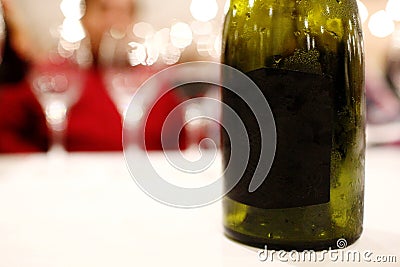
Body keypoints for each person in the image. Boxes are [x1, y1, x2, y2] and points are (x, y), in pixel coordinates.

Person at [0, 0, 187, 153]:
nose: (113, 21)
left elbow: (186, 142)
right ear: (84, 18)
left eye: (124, 12)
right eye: (103, 10)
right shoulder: (54, 76)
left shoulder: (155, 82)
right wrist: (42, 164)